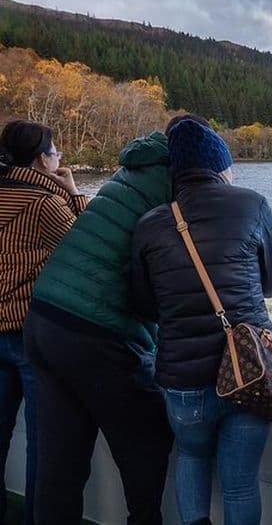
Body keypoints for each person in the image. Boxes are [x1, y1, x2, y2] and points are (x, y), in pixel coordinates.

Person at [23, 116, 204, 524]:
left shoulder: (132, 170)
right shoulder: (177, 186)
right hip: (95, 330)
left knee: (61, 460)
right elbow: (172, 274)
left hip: (45, 317)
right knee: (147, 440)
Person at [130, 120, 272, 525]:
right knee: (239, 484)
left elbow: (145, 305)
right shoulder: (252, 204)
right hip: (250, 372)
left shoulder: (150, 223)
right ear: (221, 166)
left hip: (184, 379)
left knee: (190, 455)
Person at [0, 120, 87, 525]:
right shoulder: (43, 203)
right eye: (56, 153)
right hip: (26, 336)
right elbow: (86, 248)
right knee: (43, 441)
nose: (60, 159)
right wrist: (72, 193)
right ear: (41, 159)